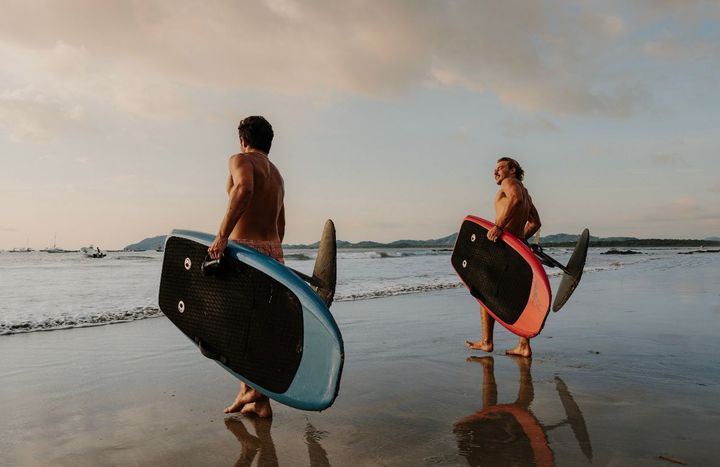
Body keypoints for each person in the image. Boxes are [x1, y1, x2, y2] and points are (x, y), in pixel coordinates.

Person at [208, 115, 285, 418]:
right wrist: (272, 256)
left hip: (246, 254)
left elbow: (244, 189)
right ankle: (257, 400)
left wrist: (221, 236)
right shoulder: (278, 175)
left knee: (235, 326)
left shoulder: (240, 160)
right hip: (273, 252)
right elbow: (281, 221)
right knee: (259, 328)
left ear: (243, 140)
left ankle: (252, 389)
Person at [465, 157, 541, 358]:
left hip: (502, 249)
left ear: (512, 170)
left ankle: (487, 342)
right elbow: (535, 223)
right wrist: (519, 240)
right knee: (516, 296)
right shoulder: (527, 194)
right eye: (495, 169)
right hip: (517, 248)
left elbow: (514, 200)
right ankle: (523, 345)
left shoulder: (511, 183)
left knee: (484, 291)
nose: (495, 172)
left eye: (500, 168)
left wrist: (499, 228)